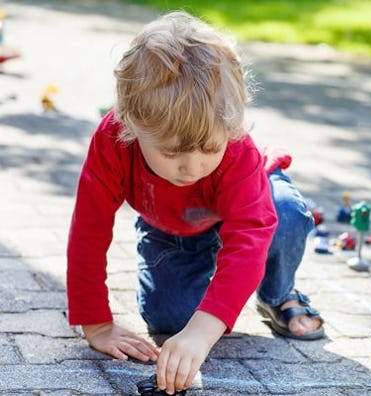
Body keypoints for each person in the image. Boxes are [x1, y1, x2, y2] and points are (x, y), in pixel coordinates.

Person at [66, 11, 324, 395]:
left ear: (230, 128)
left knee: (284, 213)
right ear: (133, 128)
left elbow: (250, 235)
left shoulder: (237, 151)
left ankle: (277, 292)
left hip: (247, 208)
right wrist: (97, 323)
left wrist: (204, 332)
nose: (191, 167)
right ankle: (216, 278)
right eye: (171, 152)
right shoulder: (112, 141)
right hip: (171, 227)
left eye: (208, 148)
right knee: (169, 317)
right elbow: (89, 229)